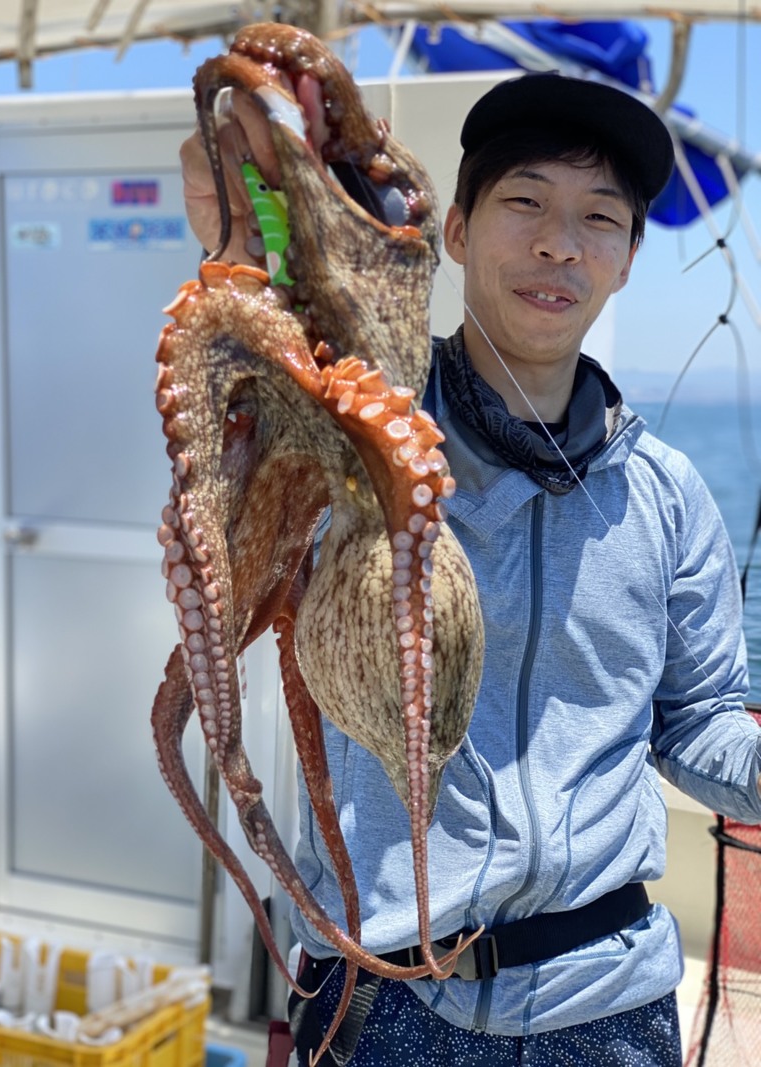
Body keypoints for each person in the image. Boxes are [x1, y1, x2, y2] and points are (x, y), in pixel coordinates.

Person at [181, 71, 761, 1066]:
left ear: (626, 260)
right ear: (454, 230)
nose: (559, 244)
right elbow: (241, 400)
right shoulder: (344, 438)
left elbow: (698, 718)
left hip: (609, 1005)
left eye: (599, 218)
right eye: (525, 201)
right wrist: (235, 240)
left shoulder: (666, 495)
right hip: (385, 1000)